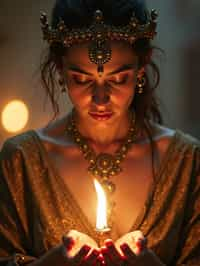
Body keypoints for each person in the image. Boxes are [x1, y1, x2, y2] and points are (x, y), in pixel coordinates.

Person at [0, 0, 199, 265]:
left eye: (118, 79)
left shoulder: (186, 161)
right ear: (60, 68)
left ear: (142, 66)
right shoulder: (21, 160)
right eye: (82, 80)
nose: (101, 99)